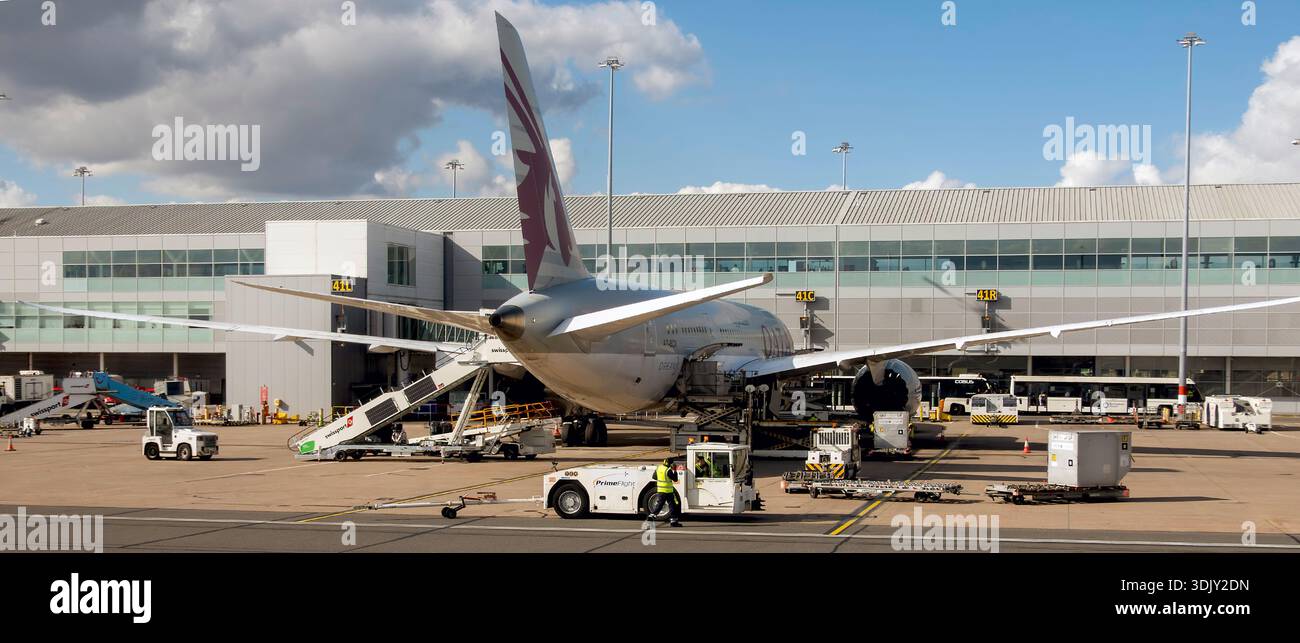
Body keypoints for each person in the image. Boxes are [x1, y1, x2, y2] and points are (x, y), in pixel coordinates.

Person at [651, 457, 682, 527]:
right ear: (669, 463)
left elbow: (654, 477)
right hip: (668, 491)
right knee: (672, 506)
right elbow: (675, 479)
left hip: (661, 491)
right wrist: (675, 470)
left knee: (660, 506)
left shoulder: (659, 468)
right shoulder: (668, 470)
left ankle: (673, 521)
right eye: (672, 463)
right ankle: (673, 522)